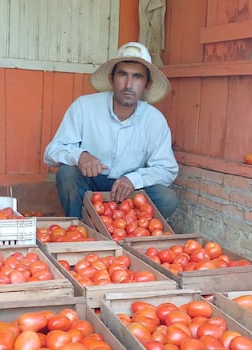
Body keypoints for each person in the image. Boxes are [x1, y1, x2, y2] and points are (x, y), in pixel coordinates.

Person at [43, 41, 179, 219]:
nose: (129, 84)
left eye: (137, 77)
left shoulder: (154, 120)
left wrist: (134, 179)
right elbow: (51, 152)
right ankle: (78, 227)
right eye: (123, 74)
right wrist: (80, 156)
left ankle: (124, 230)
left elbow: (167, 169)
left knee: (167, 198)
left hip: (129, 191)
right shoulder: (84, 107)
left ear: (147, 85)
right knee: (67, 173)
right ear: (111, 78)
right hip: (90, 186)